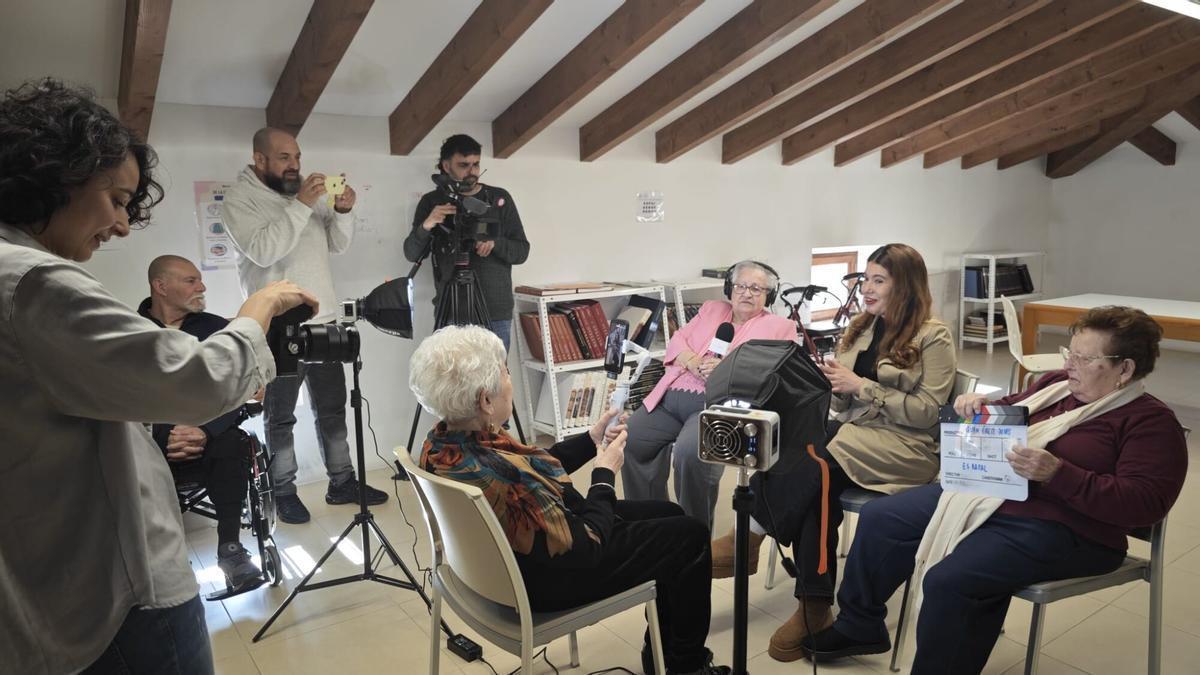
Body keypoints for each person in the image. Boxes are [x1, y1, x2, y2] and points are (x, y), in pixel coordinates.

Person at [0, 79, 318, 675]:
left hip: (51, 589)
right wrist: (264, 304)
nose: (122, 225)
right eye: (116, 200)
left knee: (229, 443)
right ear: (59, 177)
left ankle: (231, 545)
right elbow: (200, 380)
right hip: (118, 600)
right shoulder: (34, 284)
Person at [801, 306, 1188, 675]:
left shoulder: (1149, 423)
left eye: (1086, 359)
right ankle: (859, 624)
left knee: (951, 581)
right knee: (881, 517)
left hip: (1070, 530)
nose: (1069, 364)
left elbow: (1146, 505)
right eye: (1070, 352)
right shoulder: (1055, 387)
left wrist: (1058, 474)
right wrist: (980, 404)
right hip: (994, 494)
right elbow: (1011, 409)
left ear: (1125, 369)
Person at [410, 326, 730, 675]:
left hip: (498, 566)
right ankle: (684, 667)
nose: (510, 379)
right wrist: (605, 475)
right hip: (548, 579)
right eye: (505, 372)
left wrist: (592, 440)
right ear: (486, 401)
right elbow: (586, 545)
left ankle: (665, 657)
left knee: (667, 512)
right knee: (692, 536)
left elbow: (531, 466)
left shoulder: (445, 442)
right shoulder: (503, 476)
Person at [712, 244, 955, 662]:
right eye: (866, 279)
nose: (866, 289)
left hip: (906, 447)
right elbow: (839, 405)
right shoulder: (861, 328)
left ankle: (749, 536)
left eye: (879, 280)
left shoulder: (934, 336)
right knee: (806, 465)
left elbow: (928, 414)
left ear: (907, 287)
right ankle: (815, 603)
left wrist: (860, 387)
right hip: (851, 436)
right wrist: (826, 387)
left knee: (814, 460)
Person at [221, 126, 388, 525]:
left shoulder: (305, 195)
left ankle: (342, 481)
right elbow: (263, 251)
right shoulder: (240, 199)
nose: (294, 165)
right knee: (280, 416)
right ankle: (282, 491)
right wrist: (301, 204)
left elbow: (336, 244)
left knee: (332, 409)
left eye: (296, 156)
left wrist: (343, 212)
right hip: (278, 327)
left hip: (324, 319)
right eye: (284, 158)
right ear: (259, 159)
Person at [621, 260, 797, 531]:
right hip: (670, 397)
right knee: (630, 439)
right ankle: (653, 524)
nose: (746, 293)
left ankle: (693, 532)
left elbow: (773, 372)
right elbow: (679, 339)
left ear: (768, 295)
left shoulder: (779, 327)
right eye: (741, 286)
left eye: (756, 289)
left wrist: (728, 367)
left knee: (690, 454)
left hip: (716, 405)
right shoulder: (711, 309)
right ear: (730, 288)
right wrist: (691, 360)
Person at [138, 255, 263, 593]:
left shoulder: (215, 328)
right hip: (152, 439)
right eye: (191, 281)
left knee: (231, 442)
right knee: (129, 451)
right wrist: (167, 433)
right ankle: (160, 559)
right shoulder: (131, 331)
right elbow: (127, 393)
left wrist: (204, 430)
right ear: (161, 287)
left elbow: (244, 387)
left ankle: (231, 551)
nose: (201, 286)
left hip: (212, 432)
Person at [403, 134, 530, 351]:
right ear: (446, 165)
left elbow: (521, 251)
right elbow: (411, 253)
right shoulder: (432, 202)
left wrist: (495, 244)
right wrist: (428, 224)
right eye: (463, 165)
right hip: (451, 309)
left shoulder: (499, 199)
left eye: (476, 164)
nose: (471, 171)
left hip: (494, 311)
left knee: (494, 383)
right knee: (451, 383)